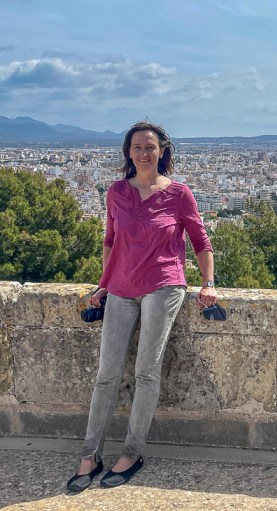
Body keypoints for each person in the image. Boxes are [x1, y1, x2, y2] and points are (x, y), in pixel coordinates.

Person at [67, 121, 217, 491]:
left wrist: (209, 283)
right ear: (128, 152)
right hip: (121, 286)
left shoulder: (179, 193)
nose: (144, 152)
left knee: (146, 372)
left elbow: (200, 240)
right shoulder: (117, 192)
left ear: (162, 151)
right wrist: (103, 284)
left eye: (150, 146)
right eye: (137, 146)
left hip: (164, 285)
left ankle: (132, 453)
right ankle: (90, 455)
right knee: (107, 373)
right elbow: (110, 241)